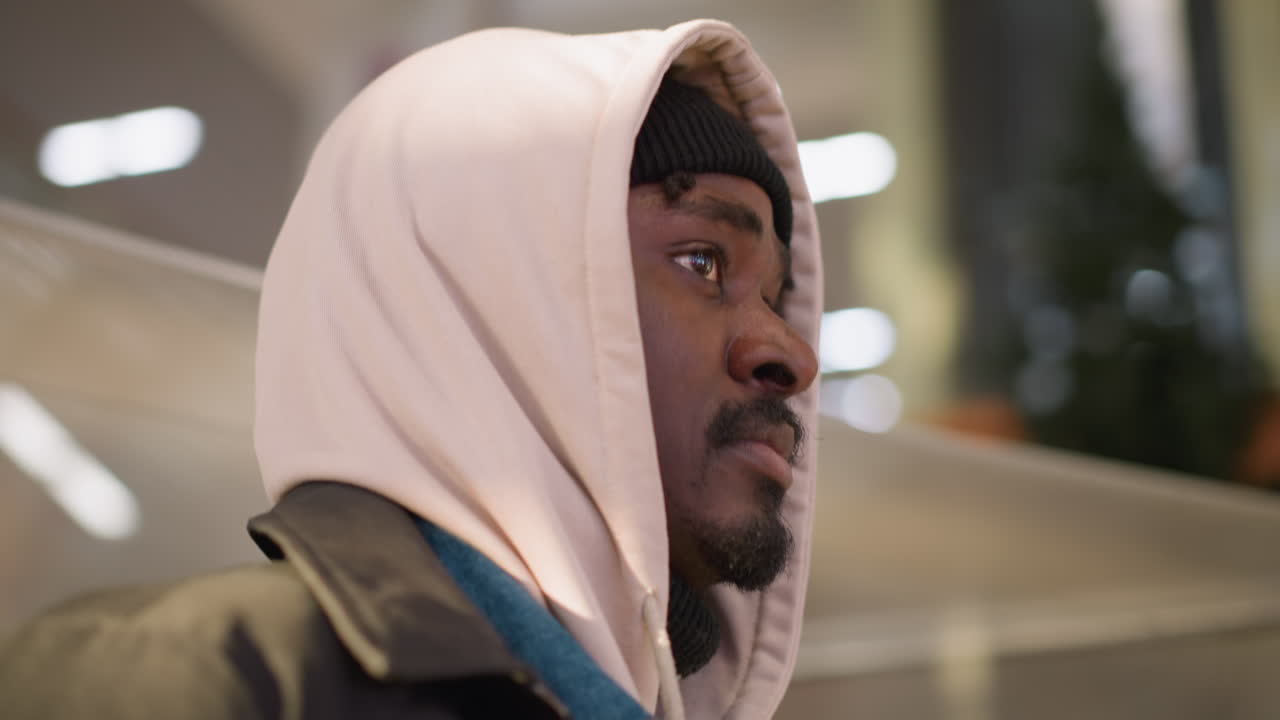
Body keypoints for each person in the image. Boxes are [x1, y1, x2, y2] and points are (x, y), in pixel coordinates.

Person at [0, 19, 821, 719]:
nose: (792, 355)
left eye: (777, 299)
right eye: (702, 262)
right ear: (496, 300)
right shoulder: (177, 678)